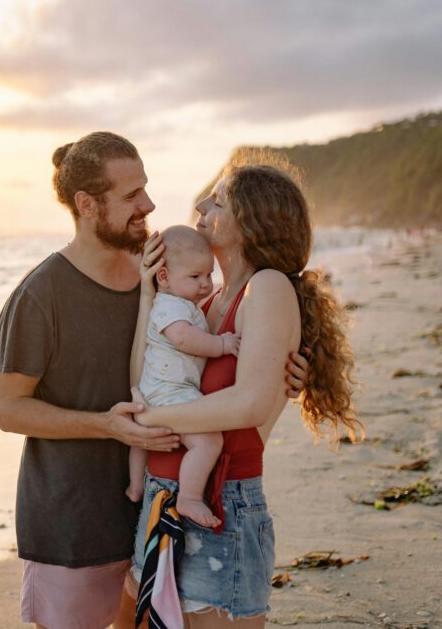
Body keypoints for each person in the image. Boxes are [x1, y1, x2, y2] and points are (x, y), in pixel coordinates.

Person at [0, 133, 309, 629]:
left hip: (157, 507)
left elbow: (228, 375)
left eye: (147, 188)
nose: (151, 205)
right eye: (132, 196)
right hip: (77, 519)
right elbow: (8, 409)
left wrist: (282, 379)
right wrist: (111, 425)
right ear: (87, 205)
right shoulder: (40, 295)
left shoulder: (170, 275)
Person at [117, 154, 363, 629]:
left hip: (220, 504)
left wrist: (143, 421)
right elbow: (145, 378)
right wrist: (150, 297)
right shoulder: (205, 300)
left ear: (251, 221)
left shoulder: (266, 288)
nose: (204, 202)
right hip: (164, 495)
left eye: (221, 198)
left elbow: (248, 404)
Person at [126, 225, 238, 530]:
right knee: (208, 441)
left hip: (156, 391)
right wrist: (223, 344)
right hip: (171, 391)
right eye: (195, 277)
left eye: (208, 275)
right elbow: (185, 339)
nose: (205, 284)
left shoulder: (183, 304)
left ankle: (136, 486)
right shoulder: (170, 306)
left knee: (140, 440)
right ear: (163, 277)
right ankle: (189, 497)